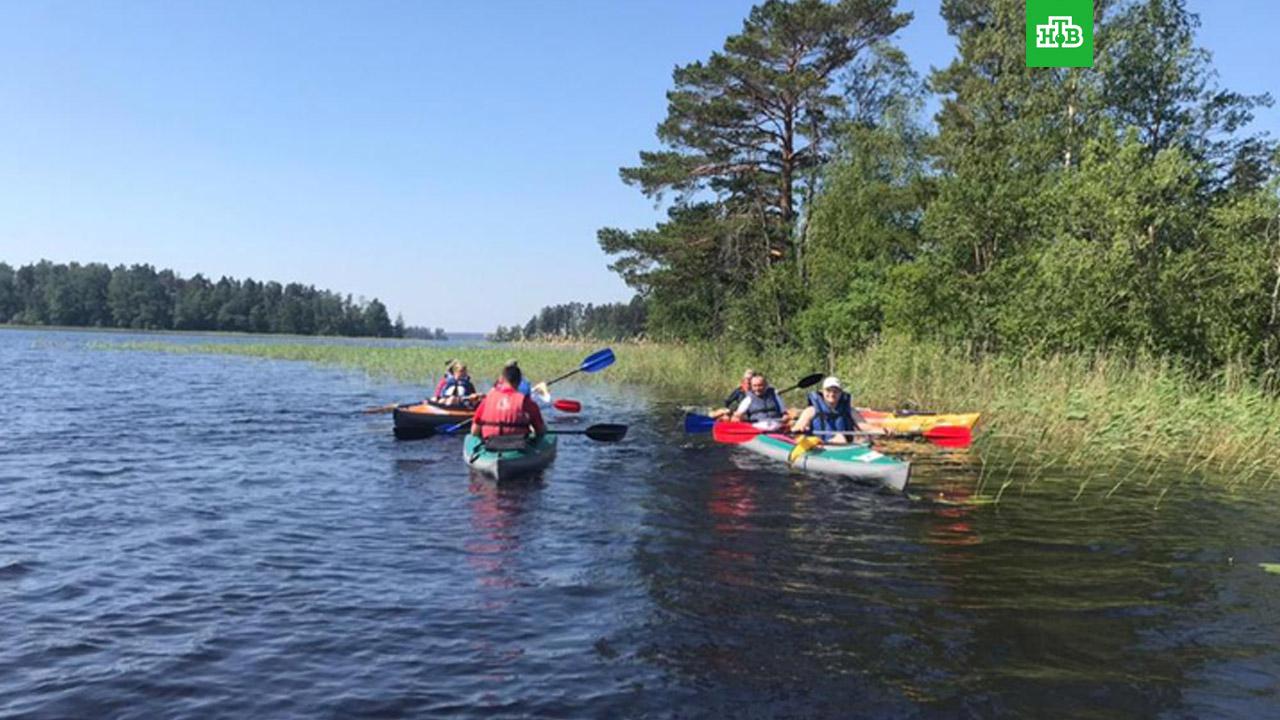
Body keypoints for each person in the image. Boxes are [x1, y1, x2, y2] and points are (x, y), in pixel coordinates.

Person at [790, 376, 880, 445]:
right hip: (819, 447)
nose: (832, 394)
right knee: (840, 437)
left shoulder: (850, 411)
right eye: (828, 390)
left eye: (835, 391)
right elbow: (799, 425)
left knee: (865, 439)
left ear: (841, 393)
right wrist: (800, 428)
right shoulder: (811, 410)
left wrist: (883, 430)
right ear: (822, 392)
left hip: (845, 447)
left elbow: (865, 426)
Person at [471, 363, 546, 441]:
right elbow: (540, 430)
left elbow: (474, 431)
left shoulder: (488, 399)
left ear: (502, 379)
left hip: (490, 442)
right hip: (518, 444)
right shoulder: (526, 402)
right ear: (520, 381)